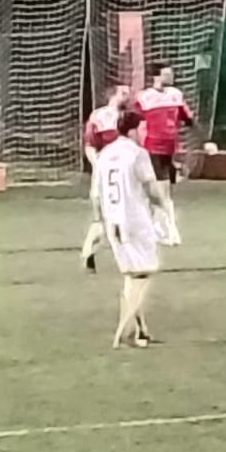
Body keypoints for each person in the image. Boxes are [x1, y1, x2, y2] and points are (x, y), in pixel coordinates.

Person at [91, 109, 169, 349]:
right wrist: (163, 205)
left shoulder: (104, 154)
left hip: (113, 222)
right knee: (144, 275)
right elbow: (151, 188)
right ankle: (124, 332)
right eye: (143, 128)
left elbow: (95, 193)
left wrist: (98, 221)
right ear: (134, 130)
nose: (145, 133)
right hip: (135, 220)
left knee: (131, 276)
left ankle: (139, 330)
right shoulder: (137, 154)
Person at [135, 62, 194, 246]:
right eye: (167, 74)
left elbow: (188, 119)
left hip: (169, 149)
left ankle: (169, 232)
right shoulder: (144, 97)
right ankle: (159, 230)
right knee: (154, 193)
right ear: (156, 77)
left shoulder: (176, 95)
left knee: (162, 194)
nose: (171, 77)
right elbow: (135, 123)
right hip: (151, 148)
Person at [78, 81, 130, 273]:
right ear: (113, 95)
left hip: (115, 175)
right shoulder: (101, 117)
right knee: (114, 219)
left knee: (105, 220)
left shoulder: (127, 118)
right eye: (124, 93)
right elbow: (89, 145)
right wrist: (99, 166)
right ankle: (127, 259)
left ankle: (88, 253)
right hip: (109, 177)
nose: (128, 96)